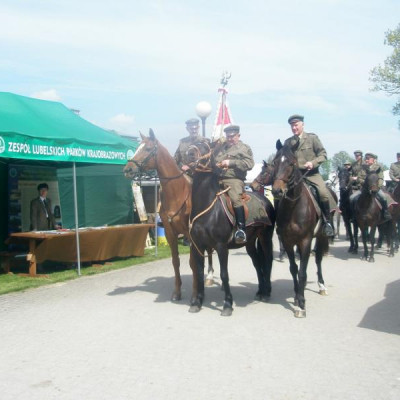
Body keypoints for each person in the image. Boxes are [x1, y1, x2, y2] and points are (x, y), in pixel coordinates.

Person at [284, 114, 335, 237]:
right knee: (280, 195)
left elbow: (323, 154)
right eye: (292, 126)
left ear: (302, 124)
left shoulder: (312, 138)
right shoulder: (288, 142)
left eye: (296, 125)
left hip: (311, 174)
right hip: (294, 176)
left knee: (323, 193)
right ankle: (280, 223)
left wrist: (313, 163)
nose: (294, 128)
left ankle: (327, 222)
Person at [214, 125, 254, 244]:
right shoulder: (221, 149)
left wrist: (231, 162)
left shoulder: (243, 148)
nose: (230, 139)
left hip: (234, 179)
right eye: (228, 136)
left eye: (232, 136)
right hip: (217, 179)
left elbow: (249, 163)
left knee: (235, 198)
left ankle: (240, 229)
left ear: (238, 136)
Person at [362, 152, 391, 221]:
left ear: (373, 159)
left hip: (375, 187)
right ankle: (354, 216)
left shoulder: (378, 167)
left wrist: (378, 186)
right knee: (353, 198)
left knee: (383, 197)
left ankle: (386, 212)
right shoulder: (363, 167)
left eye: (368, 159)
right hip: (365, 188)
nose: (367, 160)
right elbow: (361, 177)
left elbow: (381, 178)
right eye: (366, 159)